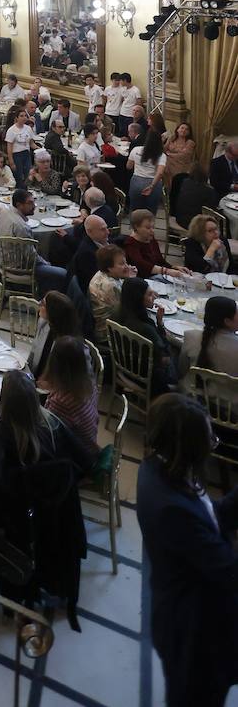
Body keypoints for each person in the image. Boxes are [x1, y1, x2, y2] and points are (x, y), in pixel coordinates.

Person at [136, 394, 238, 707]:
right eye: (211, 441)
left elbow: (209, 515)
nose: (213, 447)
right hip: (194, 634)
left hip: (178, 607)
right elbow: (228, 572)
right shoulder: (172, 509)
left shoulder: (157, 469)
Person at [0, 370, 91, 628]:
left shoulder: (4, 430)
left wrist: (20, 480)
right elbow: (83, 461)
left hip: (20, 522)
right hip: (55, 520)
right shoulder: (51, 423)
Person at [110, 277, 176, 395]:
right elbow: (164, 359)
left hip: (122, 366)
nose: (154, 298)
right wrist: (160, 325)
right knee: (179, 353)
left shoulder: (116, 313)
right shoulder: (146, 328)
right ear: (138, 298)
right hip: (145, 376)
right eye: (150, 294)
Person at [40, 336, 100, 463]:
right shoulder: (88, 384)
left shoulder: (60, 401)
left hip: (76, 460)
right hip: (90, 447)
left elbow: (46, 433)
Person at [0, 190, 66, 295]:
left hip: (2, 260)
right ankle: (46, 299)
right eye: (30, 203)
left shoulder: (5, 211)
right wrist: (47, 263)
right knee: (63, 273)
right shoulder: (21, 226)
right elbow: (31, 257)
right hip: (18, 268)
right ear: (19, 205)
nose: (34, 206)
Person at [178, 295, 238, 383]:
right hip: (226, 396)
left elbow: (182, 370)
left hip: (190, 392)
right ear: (227, 322)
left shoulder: (190, 336)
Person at [27, 290, 82, 381]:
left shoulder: (69, 344)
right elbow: (33, 351)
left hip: (56, 388)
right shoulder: (43, 322)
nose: (39, 304)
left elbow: (67, 379)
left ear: (53, 311)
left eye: (43, 304)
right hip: (36, 379)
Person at [125, 208, 188, 280]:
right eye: (148, 228)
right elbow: (141, 265)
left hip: (157, 274)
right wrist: (167, 271)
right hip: (144, 279)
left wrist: (174, 268)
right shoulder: (131, 243)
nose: (152, 231)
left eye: (153, 227)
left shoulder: (150, 238)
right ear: (136, 227)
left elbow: (160, 261)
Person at [88, 244, 133, 343]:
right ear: (109, 268)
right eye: (121, 264)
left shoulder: (101, 273)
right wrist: (131, 280)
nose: (126, 266)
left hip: (107, 322)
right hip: (108, 333)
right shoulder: (110, 286)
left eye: (125, 262)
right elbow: (128, 311)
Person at [127, 128, 166, 213]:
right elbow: (160, 173)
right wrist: (152, 186)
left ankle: (135, 225)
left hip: (137, 181)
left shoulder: (136, 150)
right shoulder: (161, 155)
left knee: (135, 210)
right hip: (153, 182)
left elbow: (128, 166)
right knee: (150, 212)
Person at [4, 109, 35, 186]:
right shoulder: (11, 130)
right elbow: (9, 147)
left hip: (26, 154)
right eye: (21, 116)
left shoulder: (28, 128)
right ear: (17, 118)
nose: (24, 118)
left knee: (28, 174)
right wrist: (11, 162)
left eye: (25, 116)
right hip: (16, 155)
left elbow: (31, 144)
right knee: (19, 176)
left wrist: (40, 149)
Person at [163, 122, 196, 186]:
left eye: (186, 129)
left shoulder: (190, 142)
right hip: (168, 163)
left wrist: (169, 154)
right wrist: (161, 140)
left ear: (189, 132)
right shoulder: (172, 138)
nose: (183, 130)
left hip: (181, 164)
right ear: (177, 130)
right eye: (182, 128)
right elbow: (164, 150)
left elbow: (184, 156)